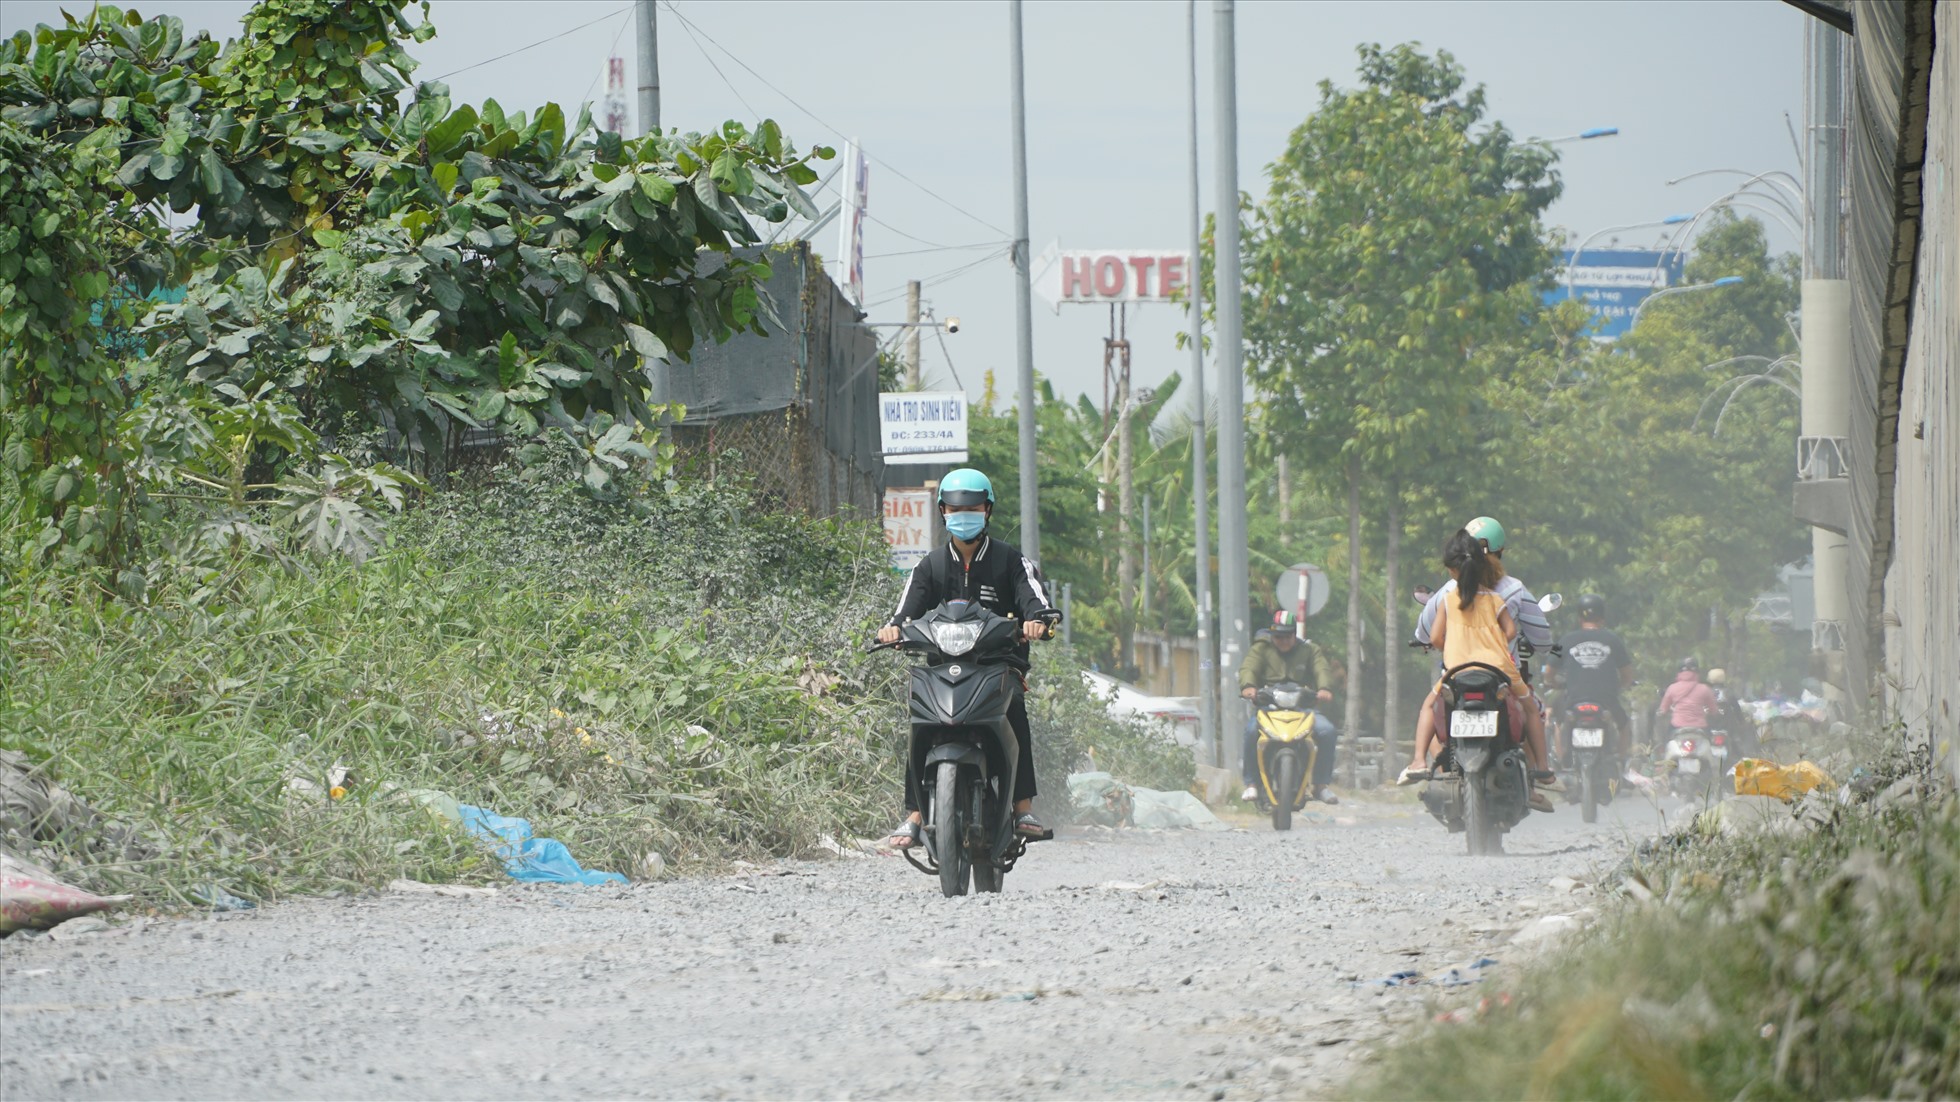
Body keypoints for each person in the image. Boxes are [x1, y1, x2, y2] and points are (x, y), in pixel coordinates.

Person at [877, 468, 1058, 850]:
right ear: (943, 511)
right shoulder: (929, 566)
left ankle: (1022, 807)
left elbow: (1035, 601)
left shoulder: (1011, 562)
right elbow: (905, 612)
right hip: (942, 668)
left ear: (988, 511)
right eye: (956, 509)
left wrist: (1038, 621)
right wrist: (893, 629)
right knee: (918, 721)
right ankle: (914, 814)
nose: (964, 515)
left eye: (973, 508)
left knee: (1016, 714)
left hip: (998, 668)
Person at [1400, 523, 1557, 810]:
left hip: (1457, 670)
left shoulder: (1447, 597)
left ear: (1453, 568)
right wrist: (1494, 641)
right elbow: (1511, 633)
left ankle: (1419, 760)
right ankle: (1543, 768)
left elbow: (1432, 637)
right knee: (1533, 709)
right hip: (1500, 669)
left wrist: (1451, 644)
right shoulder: (1502, 596)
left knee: (1427, 706)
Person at [1236, 610, 1341, 805]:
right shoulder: (1261, 649)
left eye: (1287, 636)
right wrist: (1249, 687)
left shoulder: (1309, 650)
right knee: (1252, 732)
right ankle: (1252, 784)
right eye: (1278, 636)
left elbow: (1321, 669)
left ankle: (1320, 785)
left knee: (1327, 731)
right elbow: (1248, 668)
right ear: (1271, 635)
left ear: (1294, 634)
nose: (1282, 641)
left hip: (1302, 708)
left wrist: (1324, 688)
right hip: (1268, 707)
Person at [1549, 593, 1635, 764]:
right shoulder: (1613, 640)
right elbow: (1628, 675)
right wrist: (1618, 687)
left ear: (1579, 617)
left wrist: (1554, 683)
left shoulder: (1564, 640)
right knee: (1624, 725)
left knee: (1558, 724)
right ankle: (1621, 762)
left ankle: (1561, 763)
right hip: (1606, 700)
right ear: (1602, 617)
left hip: (1573, 699)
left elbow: (1549, 671)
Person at [1656, 657, 1717, 735]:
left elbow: (1663, 709)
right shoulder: (1704, 689)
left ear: (1679, 672)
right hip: (1700, 726)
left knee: (1667, 740)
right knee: (1710, 741)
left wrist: (1662, 713)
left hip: (1677, 725)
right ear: (1697, 672)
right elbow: (1713, 709)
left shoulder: (1672, 688)